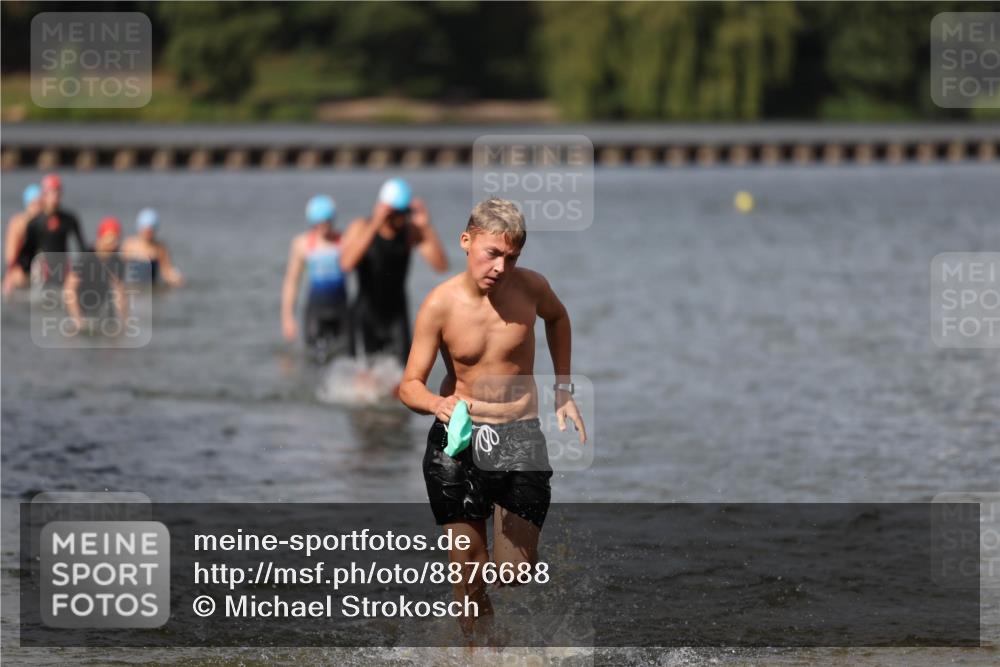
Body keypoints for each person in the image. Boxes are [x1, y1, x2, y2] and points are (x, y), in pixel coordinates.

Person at [398, 197, 587, 640]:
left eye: (512, 256)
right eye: (492, 253)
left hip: (520, 438)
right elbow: (409, 384)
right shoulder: (439, 305)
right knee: (468, 571)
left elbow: (558, 318)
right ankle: (479, 652)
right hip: (458, 442)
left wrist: (563, 389)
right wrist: (435, 404)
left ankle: (491, 627)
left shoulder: (532, 288)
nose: (501, 266)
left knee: (516, 573)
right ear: (466, 241)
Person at [339, 178, 448, 367]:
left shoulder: (410, 232)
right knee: (363, 382)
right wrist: (375, 223)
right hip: (365, 313)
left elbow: (441, 266)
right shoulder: (360, 227)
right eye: (394, 212)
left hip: (397, 315)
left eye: (403, 212)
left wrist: (426, 227)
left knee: (401, 379)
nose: (399, 218)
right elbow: (346, 264)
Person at [281, 195, 353, 363]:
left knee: (346, 358)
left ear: (332, 220)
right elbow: (292, 281)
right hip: (315, 312)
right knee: (314, 360)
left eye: (326, 222)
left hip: (342, 311)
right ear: (312, 222)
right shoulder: (302, 244)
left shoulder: (346, 241)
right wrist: (287, 317)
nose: (323, 227)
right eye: (318, 223)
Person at [7, 174, 87, 293]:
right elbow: (27, 252)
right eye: (52, 192)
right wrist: (14, 272)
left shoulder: (70, 219)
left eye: (58, 192)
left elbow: (81, 249)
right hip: (41, 269)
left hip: (63, 268)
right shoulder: (35, 222)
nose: (55, 196)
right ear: (44, 195)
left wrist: (79, 271)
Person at [64, 217, 127, 334]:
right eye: (111, 240)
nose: (114, 244)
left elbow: (120, 293)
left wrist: (124, 322)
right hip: (80, 308)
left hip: (103, 310)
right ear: (101, 237)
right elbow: (69, 289)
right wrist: (77, 319)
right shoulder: (85, 258)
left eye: (117, 239)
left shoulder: (117, 261)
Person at [121, 208, 185, 288]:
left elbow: (167, 270)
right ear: (140, 228)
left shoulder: (160, 248)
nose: (148, 233)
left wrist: (176, 279)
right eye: (146, 230)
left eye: (151, 230)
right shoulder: (129, 245)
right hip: (132, 288)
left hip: (151, 289)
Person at [2, 183, 43, 296]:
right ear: (28, 204)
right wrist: (9, 274)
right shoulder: (18, 223)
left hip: (41, 268)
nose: (38, 207)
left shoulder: (46, 222)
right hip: (21, 268)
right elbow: (11, 252)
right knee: (19, 278)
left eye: (40, 204)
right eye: (34, 204)